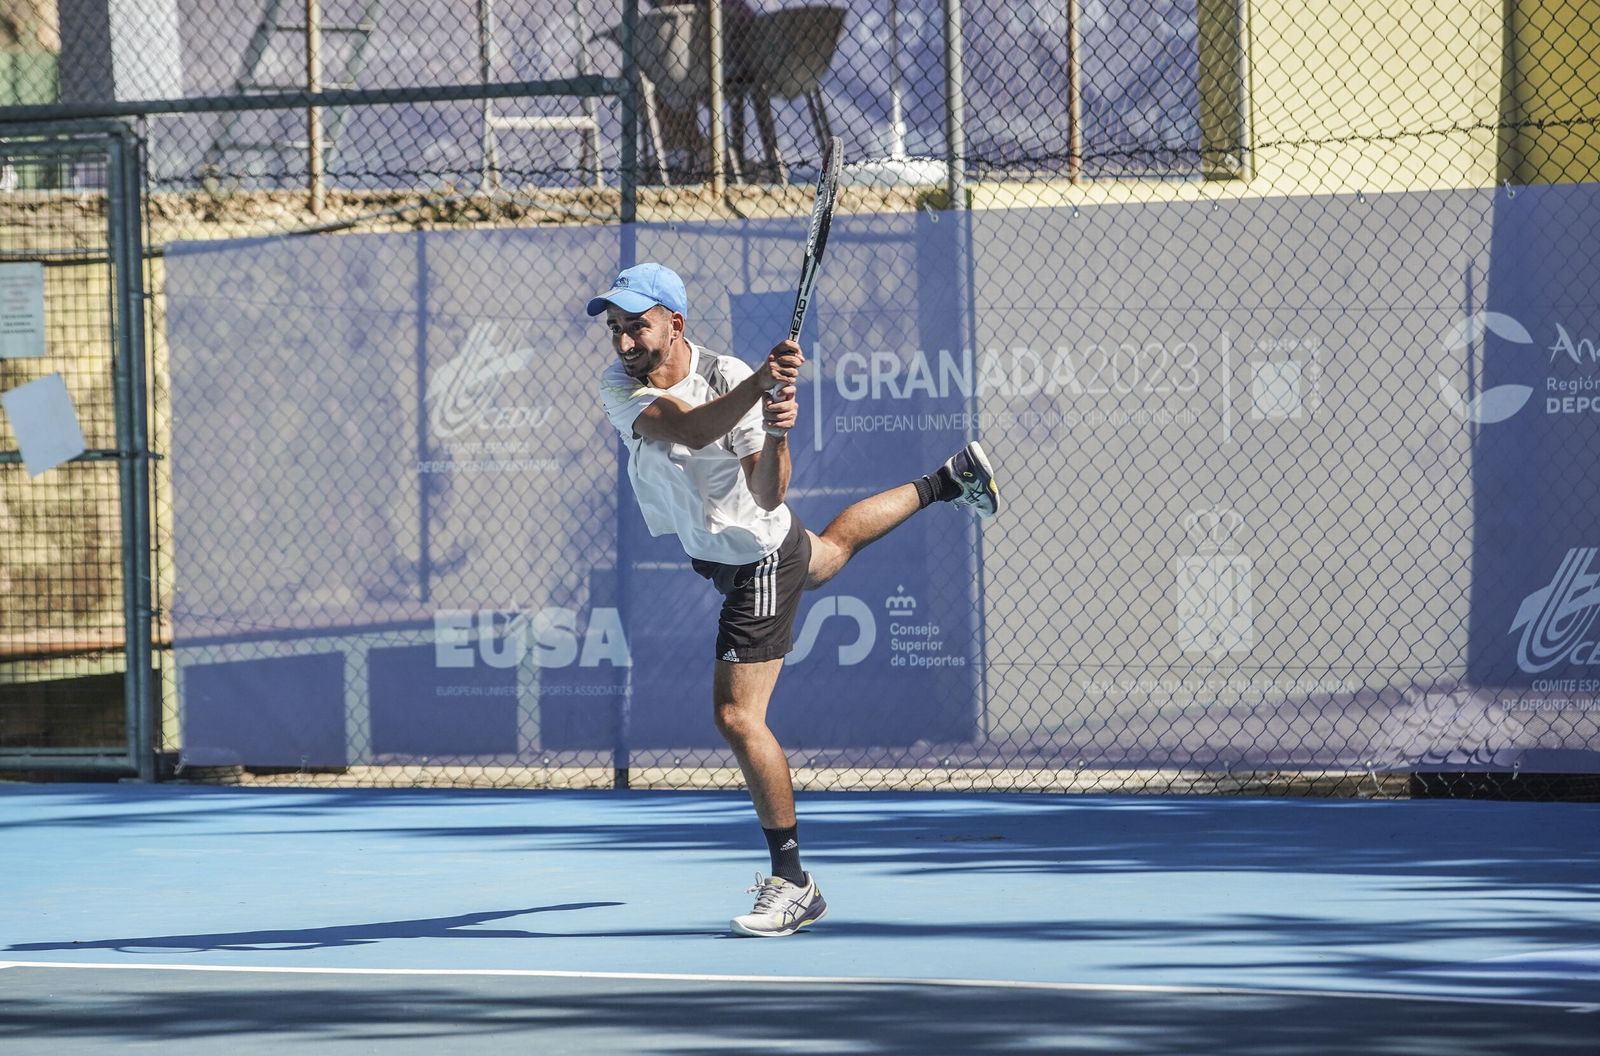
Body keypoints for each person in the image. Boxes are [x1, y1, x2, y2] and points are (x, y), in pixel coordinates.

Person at [589, 262, 998, 938]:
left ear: (674, 324)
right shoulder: (623, 386)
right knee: (831, 555)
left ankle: (793, 881)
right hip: (737, 550)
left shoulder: (727, 376)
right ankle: (949, 480)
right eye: (616, 329)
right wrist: (763, 388)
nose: (625, 342)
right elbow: (686, 431)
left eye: (638, 326)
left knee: (735, 715)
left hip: (756, 557)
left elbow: (770, 493)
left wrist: (775, 430)